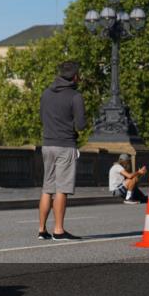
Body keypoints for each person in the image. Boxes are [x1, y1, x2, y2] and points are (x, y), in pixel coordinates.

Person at [36, 61, 87, 241]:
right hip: (65, 145)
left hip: (47, 144)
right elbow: (81, 125)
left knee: (47, 188)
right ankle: (58, 230)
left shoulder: (46, 93)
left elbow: (42, 117)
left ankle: (42, 230)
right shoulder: (75, 96)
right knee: (61, 189)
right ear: (74, 77)